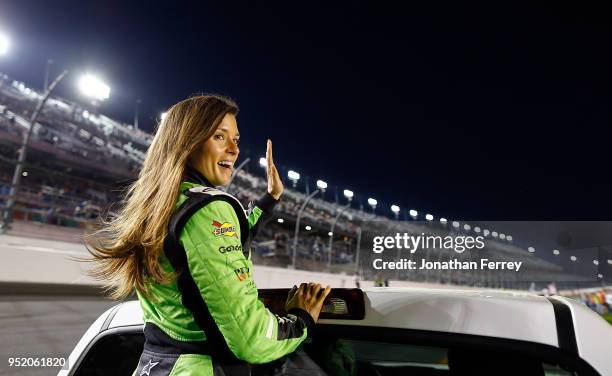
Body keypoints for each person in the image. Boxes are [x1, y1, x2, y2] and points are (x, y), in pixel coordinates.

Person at [86, 95, 330, 375]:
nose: (234, 149)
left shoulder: (161, 202)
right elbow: (249, 338)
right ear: (189, 142)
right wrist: (301, 320)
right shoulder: (208, 207)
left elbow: (219, 238)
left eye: (236, 139)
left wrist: (270, 198)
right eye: (219, 136)